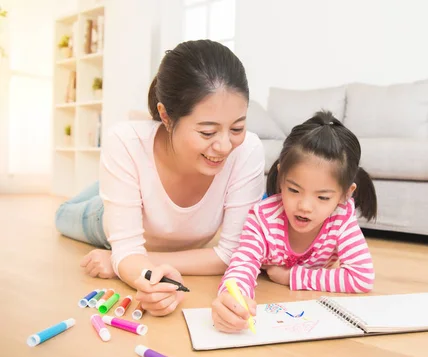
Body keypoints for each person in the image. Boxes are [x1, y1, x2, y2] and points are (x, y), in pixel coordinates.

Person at [54, 40, 265, 316]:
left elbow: (230, 254)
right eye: (207, 132)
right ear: (165, 115)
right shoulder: (125, 141)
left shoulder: (247, 150)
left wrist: (131, 263)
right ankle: (112, 189)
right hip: (102, 217)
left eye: (237, 127)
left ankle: (119, 185)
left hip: (146, 225)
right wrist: (129, 260)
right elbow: (127, 248)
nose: (225, 146)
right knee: (62, 215)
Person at [211, 110, 377, 333]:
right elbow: (242, 265)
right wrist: (232, 299)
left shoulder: (341, 217)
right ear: (281, 178)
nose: (305, 206)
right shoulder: (262, 218)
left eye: (322, 197)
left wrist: (292, 277)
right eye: (294, 190)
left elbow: (361, 277)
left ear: (345, 194)